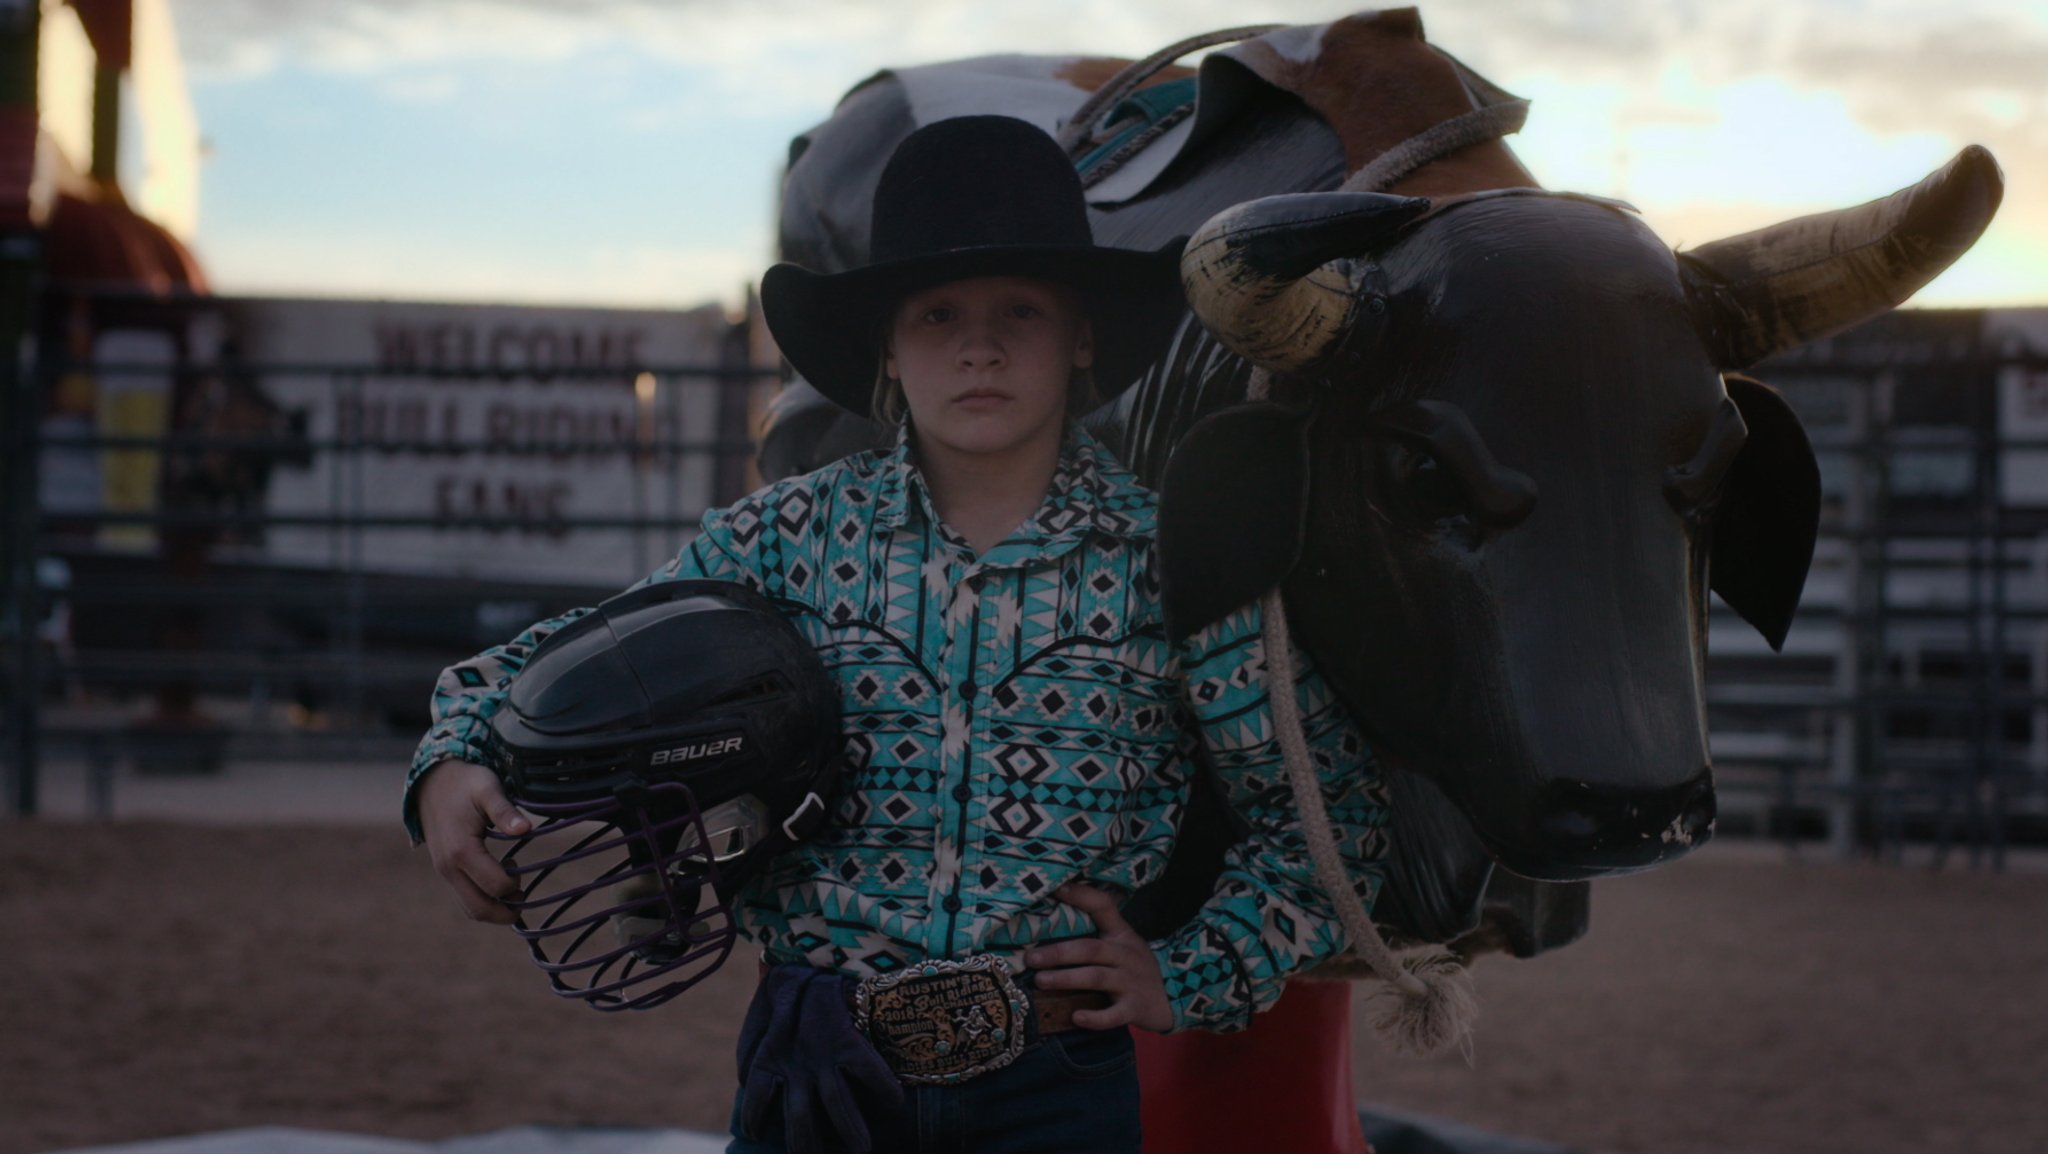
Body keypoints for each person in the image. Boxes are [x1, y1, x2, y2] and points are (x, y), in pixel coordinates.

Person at [404, 115, 1392, 1154]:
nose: (979, 345)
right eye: (936, 314)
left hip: (1053, 1086)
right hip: (818, 1077)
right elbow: (544, 661)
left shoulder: (1172, 562)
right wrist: (450, 760)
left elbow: (1325, 824)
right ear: (888, 342)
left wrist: (1180, 973)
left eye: (1021, 307)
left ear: (1082, 334)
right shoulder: (784, 536)